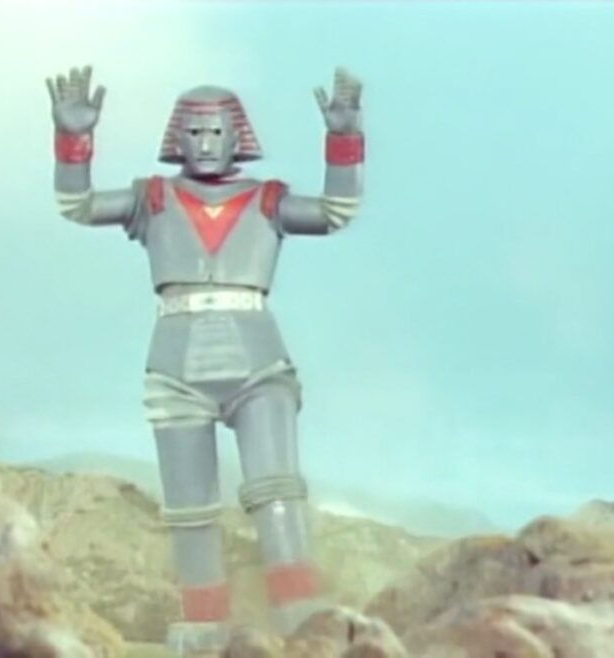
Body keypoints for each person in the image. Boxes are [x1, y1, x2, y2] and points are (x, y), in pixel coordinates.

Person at [45, 65, 365, 654]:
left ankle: (301, 616)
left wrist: (344, 139)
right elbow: (77, 204)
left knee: (277, 491)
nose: (206, 143)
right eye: (194, 132)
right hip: (176, 366)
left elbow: (335, 212)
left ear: (238, 136)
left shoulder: (267, 200)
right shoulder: (152, 198)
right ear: (177, 138)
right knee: (189, 510)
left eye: (216, 131)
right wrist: (73, 139)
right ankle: (204, 622)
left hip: (258, 361)